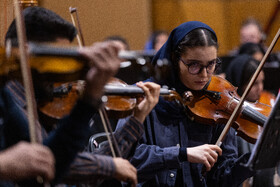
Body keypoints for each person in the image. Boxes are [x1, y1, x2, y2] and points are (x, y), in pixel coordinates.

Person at [4, 6, 161, 187]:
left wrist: (136, 119)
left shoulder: (40, 104)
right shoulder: (12, 104)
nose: (63, 73)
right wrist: (107, 166)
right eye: (58, 59)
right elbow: (52, 163)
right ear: (24, 53)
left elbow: (70, 165)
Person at [116, 21, 255, 186]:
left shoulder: (218, 104)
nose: (204, 75)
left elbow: (220, 179)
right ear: (175, 59)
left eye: (211, 64)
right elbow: (125, 160)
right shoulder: (143, 97)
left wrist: (252, 161)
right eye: (194, 65)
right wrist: (181, 154)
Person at [225, 54, 277, 187]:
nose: (260, 88)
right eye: (254, 83)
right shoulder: (228, 121)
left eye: (262, 82)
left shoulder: (261, 108)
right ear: (239, 83)